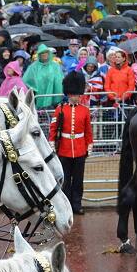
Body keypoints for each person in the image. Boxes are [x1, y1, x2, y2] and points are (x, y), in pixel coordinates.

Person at [48, 71, 93, 215]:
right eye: (75, 95)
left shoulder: (85, 111)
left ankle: (77, 204)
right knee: (65, 180)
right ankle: (66, 205)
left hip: (80, 149)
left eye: (79, 95)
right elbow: (53, 128)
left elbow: (88, 131)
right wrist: (52, 144)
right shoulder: (60, 109)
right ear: (69, 94)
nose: (78, 97)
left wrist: (89, 146)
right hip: (64, 149)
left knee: (78, 180)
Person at [23, 43, 64, 109]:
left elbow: (60, 79)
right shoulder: (33, 67)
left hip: (53, 96)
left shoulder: (55, 65)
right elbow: (26, 79)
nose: (44, 54)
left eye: (46, 52)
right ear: (39, 54)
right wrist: (34, 87)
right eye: (42, 53)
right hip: (38, 96)